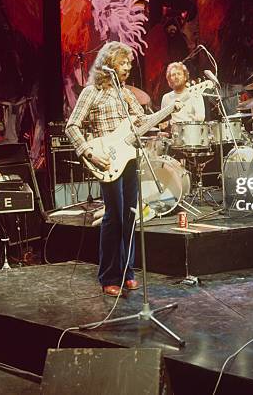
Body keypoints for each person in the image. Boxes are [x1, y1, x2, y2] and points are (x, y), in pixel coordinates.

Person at [65, 41, 177, 297]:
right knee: (113, 216)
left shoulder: (126, 93)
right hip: (107, 159)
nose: (127, 67)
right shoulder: (92, 92)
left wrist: (170, 111)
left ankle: (128, 272)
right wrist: (89, 152)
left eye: (128, 63)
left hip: (130, 160)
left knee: (129, 215)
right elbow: (72, 126)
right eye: (123, 62)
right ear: (109, 64)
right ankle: (108, 276)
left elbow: (144, 122)